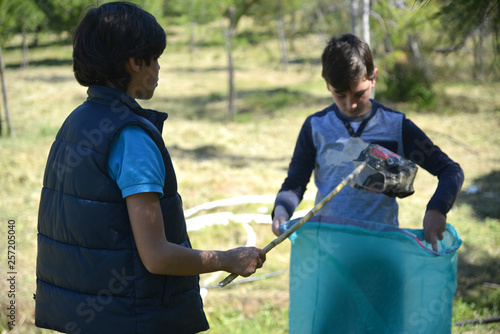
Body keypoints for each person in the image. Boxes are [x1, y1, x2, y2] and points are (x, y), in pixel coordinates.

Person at [35, 2, 265, 333]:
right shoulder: (131, 138)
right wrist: (228, 258)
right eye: (154, 59)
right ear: (135, 61)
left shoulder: (76, 123)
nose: (158, 69)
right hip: (134, 319)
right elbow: (156, 256)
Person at [271, 34, 464, 251]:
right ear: (327, 85)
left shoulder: (396, 126)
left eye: (359, 94)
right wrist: (281, 210)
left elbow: (450, 170)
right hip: (330, 249)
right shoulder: (315, 127)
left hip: (381, 247)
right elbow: (295, 184)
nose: (350, 104)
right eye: (340, 95)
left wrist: (437, 209)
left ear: (373, 78)